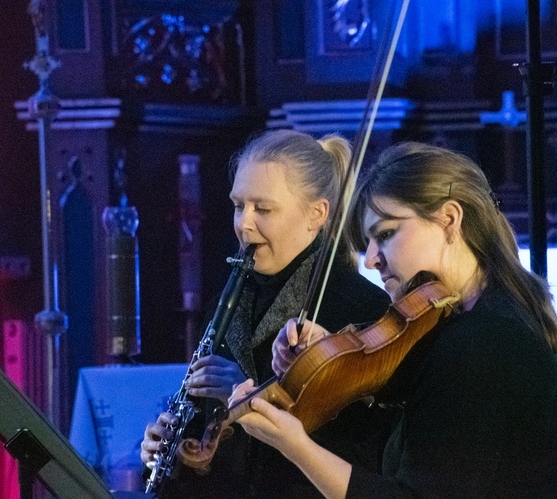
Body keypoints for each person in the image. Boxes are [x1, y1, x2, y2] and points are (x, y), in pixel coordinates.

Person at [231, 142, 557, 497]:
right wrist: (325, 352)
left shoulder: (483, 340)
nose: (372, 259)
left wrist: (296, 447)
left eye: (386, 234)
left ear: (450, 220)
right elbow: (419, 387)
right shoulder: (482, 317)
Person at [140, 129, 392, 497]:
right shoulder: (229, 298)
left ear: (316, 214)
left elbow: (358, 449)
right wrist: (181, 447)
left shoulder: (359, 307)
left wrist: (243, 392)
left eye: (263, 208)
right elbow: (218, 438)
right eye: (239, 205)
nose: (243, 223)